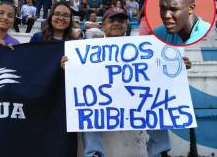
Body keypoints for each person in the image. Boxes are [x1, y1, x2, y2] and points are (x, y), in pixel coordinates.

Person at [61, 9, 192, 157]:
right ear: (103, 25)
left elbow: (158, 73)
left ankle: (160, 152)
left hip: (135, 98)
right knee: (89, 109)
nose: (117, 23)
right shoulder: (88, 49)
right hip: (105, 100)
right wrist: (70, 66)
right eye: (112, 20)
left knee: (157, 105)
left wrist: (178, 64)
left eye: (121, 21)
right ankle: (94, 153)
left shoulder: (144, 48)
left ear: (126, 25)